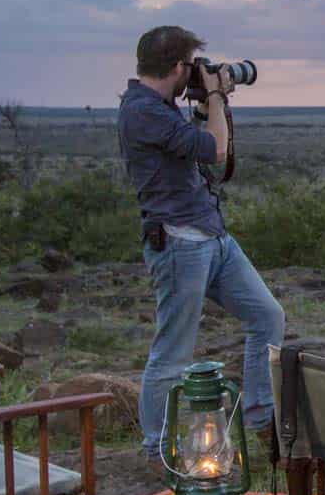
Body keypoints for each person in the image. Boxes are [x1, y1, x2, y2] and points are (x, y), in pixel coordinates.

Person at [118, 25, 283, 472]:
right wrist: (214, 96)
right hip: (179, 242)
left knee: (268, 316)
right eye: (191, 66)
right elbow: (214, 150)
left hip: (211, 235)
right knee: (173, 352)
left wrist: (211, 103)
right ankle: (158, 449)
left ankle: (261, 417)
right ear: (178, 67)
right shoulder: (141, 111)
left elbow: (199, 151)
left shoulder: (162, 109)